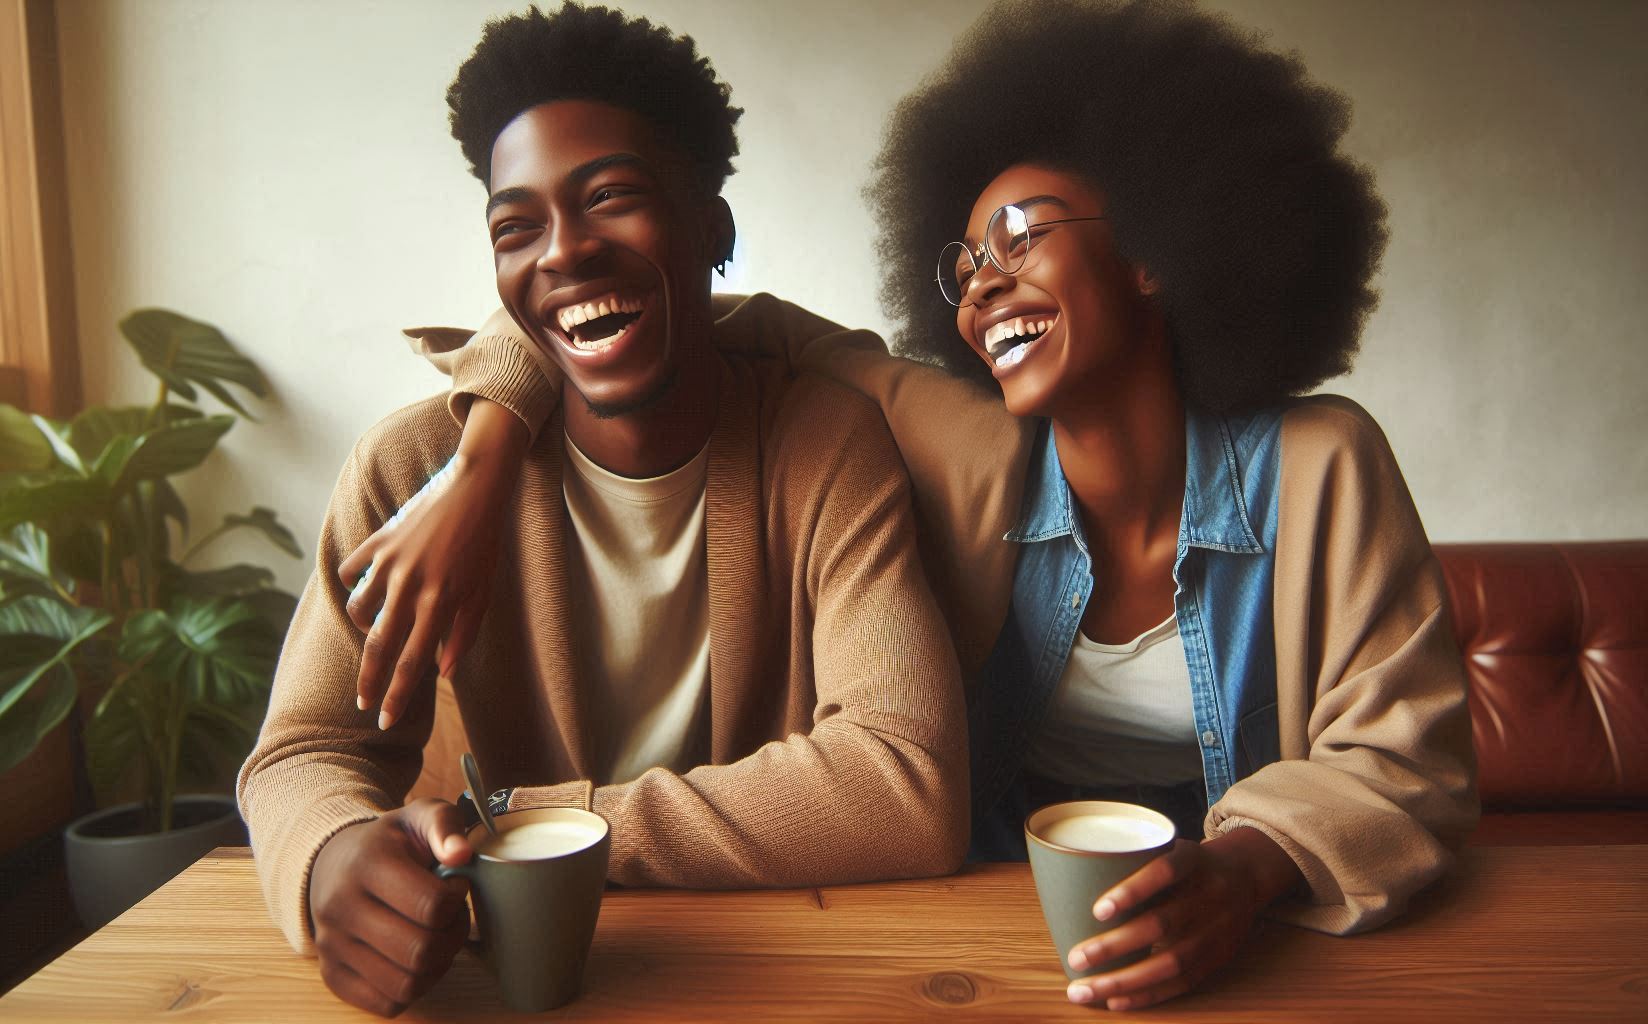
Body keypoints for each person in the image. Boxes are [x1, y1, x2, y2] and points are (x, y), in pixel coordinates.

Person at [347, 0, 1478, 1012]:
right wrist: (486, 447)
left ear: (1154, 247)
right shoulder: (959, 442)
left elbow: (1407, 760)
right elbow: (666, 312)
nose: (984, 282)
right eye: (965, 261)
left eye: (1021, 235)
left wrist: (1247, 868)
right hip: (987, 923)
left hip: (1266, 929)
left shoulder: (1321, 465)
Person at [237, 4, 969, 1017]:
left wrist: (540, 824)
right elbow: (304, 750)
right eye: (516, 227)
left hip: (782, 965)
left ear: (712, 229)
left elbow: (904, 781)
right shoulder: (410, 470)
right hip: (540, 974)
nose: (564, 253)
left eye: (612, 198)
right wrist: (328, 857)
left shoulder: (822, 444)